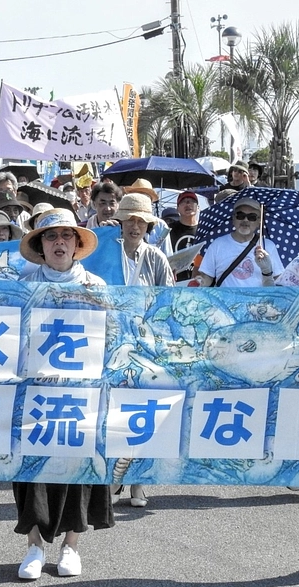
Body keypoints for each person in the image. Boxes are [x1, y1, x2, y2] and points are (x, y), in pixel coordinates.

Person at [14, 209, 113, 579]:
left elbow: (113, 337)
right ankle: (34, 546)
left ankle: (71, 546)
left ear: (77, 243)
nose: (59, 243)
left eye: (66, 236)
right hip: (34, 393)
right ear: (40, 245)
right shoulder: (23, 285)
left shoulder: (95, 286)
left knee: (78, 469)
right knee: (30, 470)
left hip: (81, 394)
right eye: (51, 236)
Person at [109, 193, 175, 508]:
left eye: (141, 221)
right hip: (112, 343)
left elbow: (169, 301)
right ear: (120, 222)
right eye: (130, 220)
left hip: (146, 347)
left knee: (144, 412)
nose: (135, 226)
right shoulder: (107, 252)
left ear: (148, 225)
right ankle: (113, 477)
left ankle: (139, 482)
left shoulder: (156, 258)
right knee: (112, 412)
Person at [194, 196, 284, 288]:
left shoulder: (268, 246)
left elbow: (278, 280)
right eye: (240, 215)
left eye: (252, 217)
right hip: (225, 297)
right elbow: (208, 276)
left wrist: (267, 271)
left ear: (259, 222)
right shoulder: (217, 244)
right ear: (233, 218)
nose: (245, 220)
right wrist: (201, 281)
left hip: (257, 297)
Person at [168, 190, 202, 282]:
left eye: (192, 201)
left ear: (198, 207)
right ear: (177, 208)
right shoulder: (169, 230)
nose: (188, 204)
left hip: (199, 282)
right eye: (183, 202)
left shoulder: (204, 230)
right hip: (175, 282)